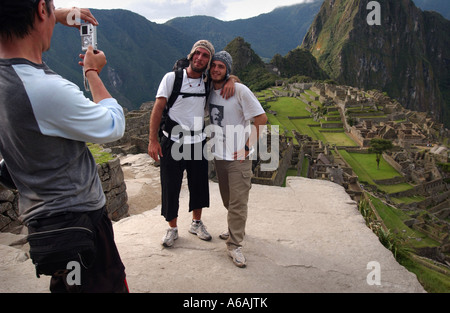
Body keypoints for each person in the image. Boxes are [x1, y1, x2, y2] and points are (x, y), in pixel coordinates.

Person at [0, 1, 128, 292]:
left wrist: (53, 16)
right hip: (80, 224)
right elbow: (113, 125)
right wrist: (92, 72)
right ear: (40, 11)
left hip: (47, 229)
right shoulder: (43, 90)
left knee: (69, 286)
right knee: (98, 287)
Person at [148, 40, 236, 247]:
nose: (200, 58)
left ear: (209, 61)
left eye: (206, 56)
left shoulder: (206, 83)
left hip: (197, 141)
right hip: (172, 140)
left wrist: (231, 79)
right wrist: (152, 140)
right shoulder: (172, 78)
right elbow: (158, 108)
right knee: (171, 186)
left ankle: (196, 223)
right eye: (198, 53)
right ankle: (172, 228)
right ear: (190, 55)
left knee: (198, 185)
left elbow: (224, 79)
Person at [207, 51, 268, 268]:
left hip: (239, 157)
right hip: (220, 156)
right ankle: (235, 228)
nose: (216, 69)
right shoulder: (209, 90)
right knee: (228, 200)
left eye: (221, 67)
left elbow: (261, 118)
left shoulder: (240, 91)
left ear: (228, 70)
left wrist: (247, 146)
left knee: (238, 202)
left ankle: (235, 244)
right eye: (213, 65)